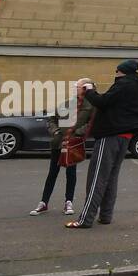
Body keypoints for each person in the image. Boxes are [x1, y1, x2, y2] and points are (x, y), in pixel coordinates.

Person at [67, 60, 138, 229]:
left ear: (121, 72)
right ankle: (106, 215)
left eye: (116, 72)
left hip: (110, 135)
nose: (115, 75)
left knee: (97, 177)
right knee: (111, 177)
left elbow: (103, 102)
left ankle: (85, 219)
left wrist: (89, 91)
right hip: (125, 135)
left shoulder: (124, 85)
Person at [31, 78, 95, 217]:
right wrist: (55, 131)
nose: (74, 88)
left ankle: (68, 202)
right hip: (58, 142)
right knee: (52, 172)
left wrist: (78, 132)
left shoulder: (91, 105)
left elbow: (92, 123)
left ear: (85, 88)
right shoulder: (67, 103)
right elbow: (52, 119)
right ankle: (44, 202)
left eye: (77, 86)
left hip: (73, 143)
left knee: (71, 173)